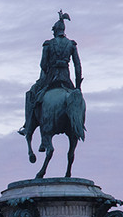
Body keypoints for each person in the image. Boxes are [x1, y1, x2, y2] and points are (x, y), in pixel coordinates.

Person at [23, 10, 82, 139]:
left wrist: (49, 67)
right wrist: (78, 86)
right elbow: (77, 66)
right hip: (66, 78)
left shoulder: (48, 44)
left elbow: (43, 65)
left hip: (51, 77)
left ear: (55, 31)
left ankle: (28, 126)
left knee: (31, 94)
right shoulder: (71, 44)